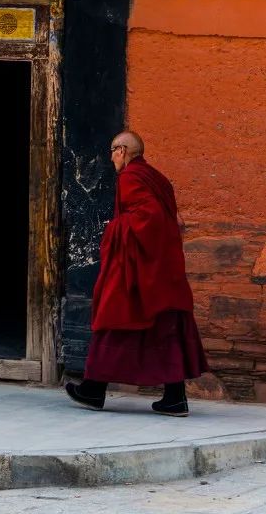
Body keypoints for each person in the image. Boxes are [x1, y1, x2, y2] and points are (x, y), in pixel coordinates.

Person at [66, 130, 208, 417]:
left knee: (114, 318)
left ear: (122, 151)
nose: (110, 158)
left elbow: (150, 217)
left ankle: (93, 390)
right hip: (161, 267)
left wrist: (113, 229)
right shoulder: (156, 177)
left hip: (138, 267)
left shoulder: (131, 177)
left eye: (112, 151)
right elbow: (174, 219)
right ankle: (174, 398)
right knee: (164, 327)